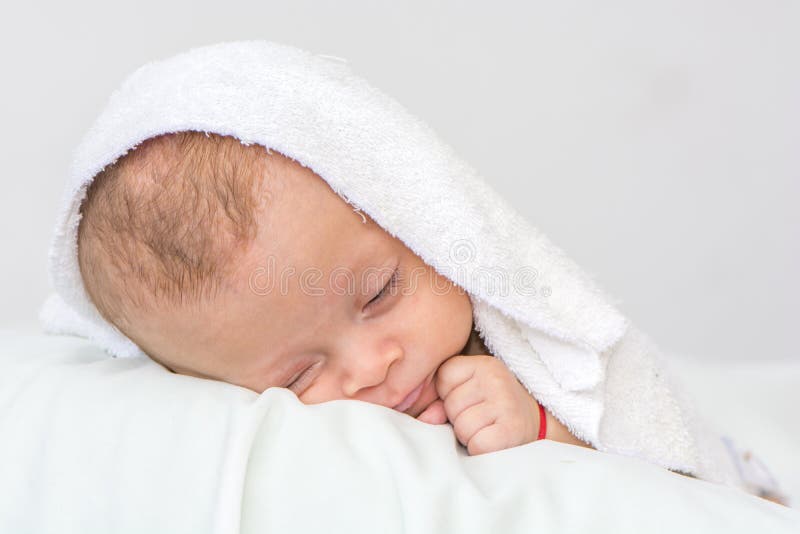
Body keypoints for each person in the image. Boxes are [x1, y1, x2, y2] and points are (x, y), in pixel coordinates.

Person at [77, 130, 592, 456]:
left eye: (378, 294)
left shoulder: (537, 353)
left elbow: (642, 468)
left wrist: (537, 424)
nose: (371, 368)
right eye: (299, 377)